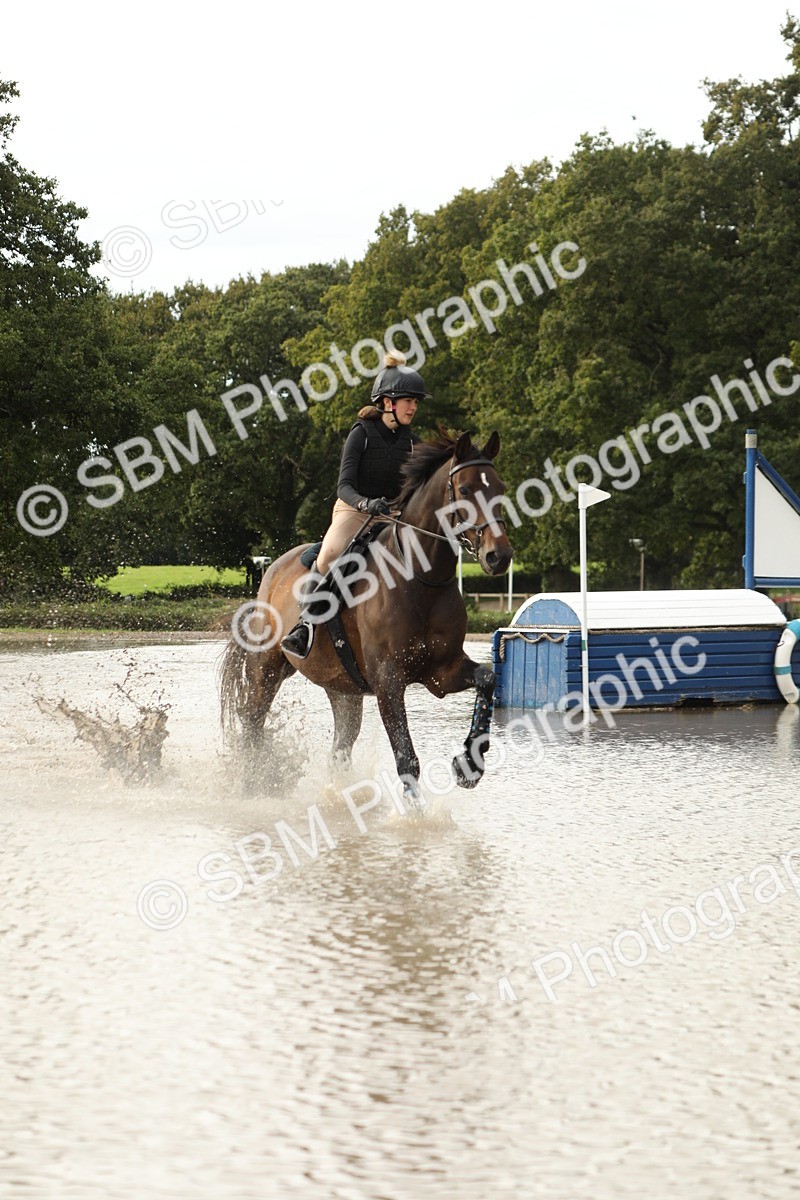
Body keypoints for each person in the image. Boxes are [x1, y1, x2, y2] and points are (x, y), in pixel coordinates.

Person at [281, 351, 429, 658]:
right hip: (354, 508)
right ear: (388, 402)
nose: (414, 407)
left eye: (416, 402)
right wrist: (365, 503)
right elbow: (343, 486)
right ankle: (305, 627)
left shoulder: (414, 442)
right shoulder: (361, 434)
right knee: (332, 553)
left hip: (392, 514)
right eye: (408, 400)